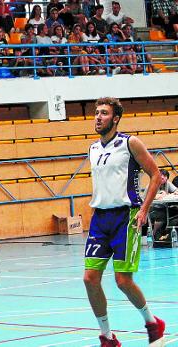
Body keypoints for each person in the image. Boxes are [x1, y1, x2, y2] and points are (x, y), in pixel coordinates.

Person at [83, 97, 165, 347]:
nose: (98, 117)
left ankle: (152, 323)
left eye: (104, 113)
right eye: (96, 112)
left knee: (123, 281)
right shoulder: (93, 148)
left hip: (125, 217)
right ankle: (107, 337)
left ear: (115, 118)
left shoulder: (130, 143)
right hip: (100, 219)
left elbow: (156, 176)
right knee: (89, 279)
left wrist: (144, 210)